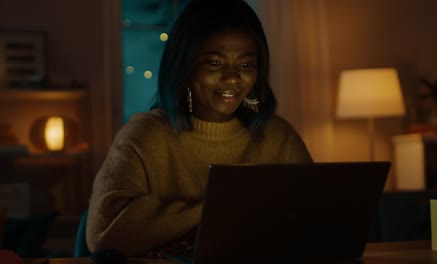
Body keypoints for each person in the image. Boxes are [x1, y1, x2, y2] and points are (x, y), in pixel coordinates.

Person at [86, 0, 313, 257]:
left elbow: (316, 218)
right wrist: (219, 207)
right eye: (215, 63)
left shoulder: (279, 136)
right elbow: (103, 235)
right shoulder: (145, 135)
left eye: (246, 65)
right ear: (185, 66)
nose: (232, 78)